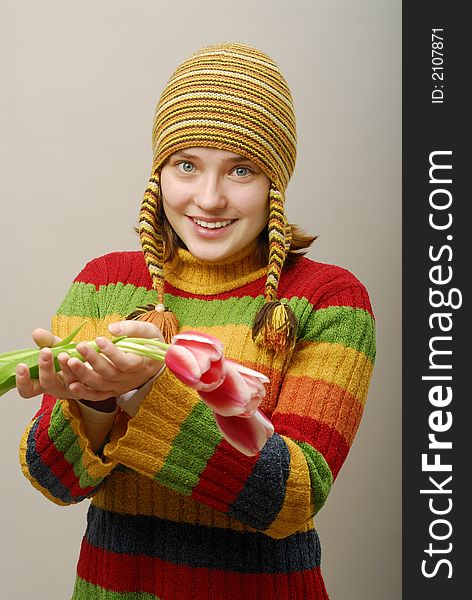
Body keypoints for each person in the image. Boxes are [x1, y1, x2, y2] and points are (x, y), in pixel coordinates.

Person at [16, 42, 376, 599]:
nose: (209, 199)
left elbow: (291, 497)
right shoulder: (104, 284)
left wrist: (145, 393)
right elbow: (54, 481)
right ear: (159, 173)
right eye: (187, 165)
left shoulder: (328, 298)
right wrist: (95, 404)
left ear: (276, 184)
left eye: (241, 169)